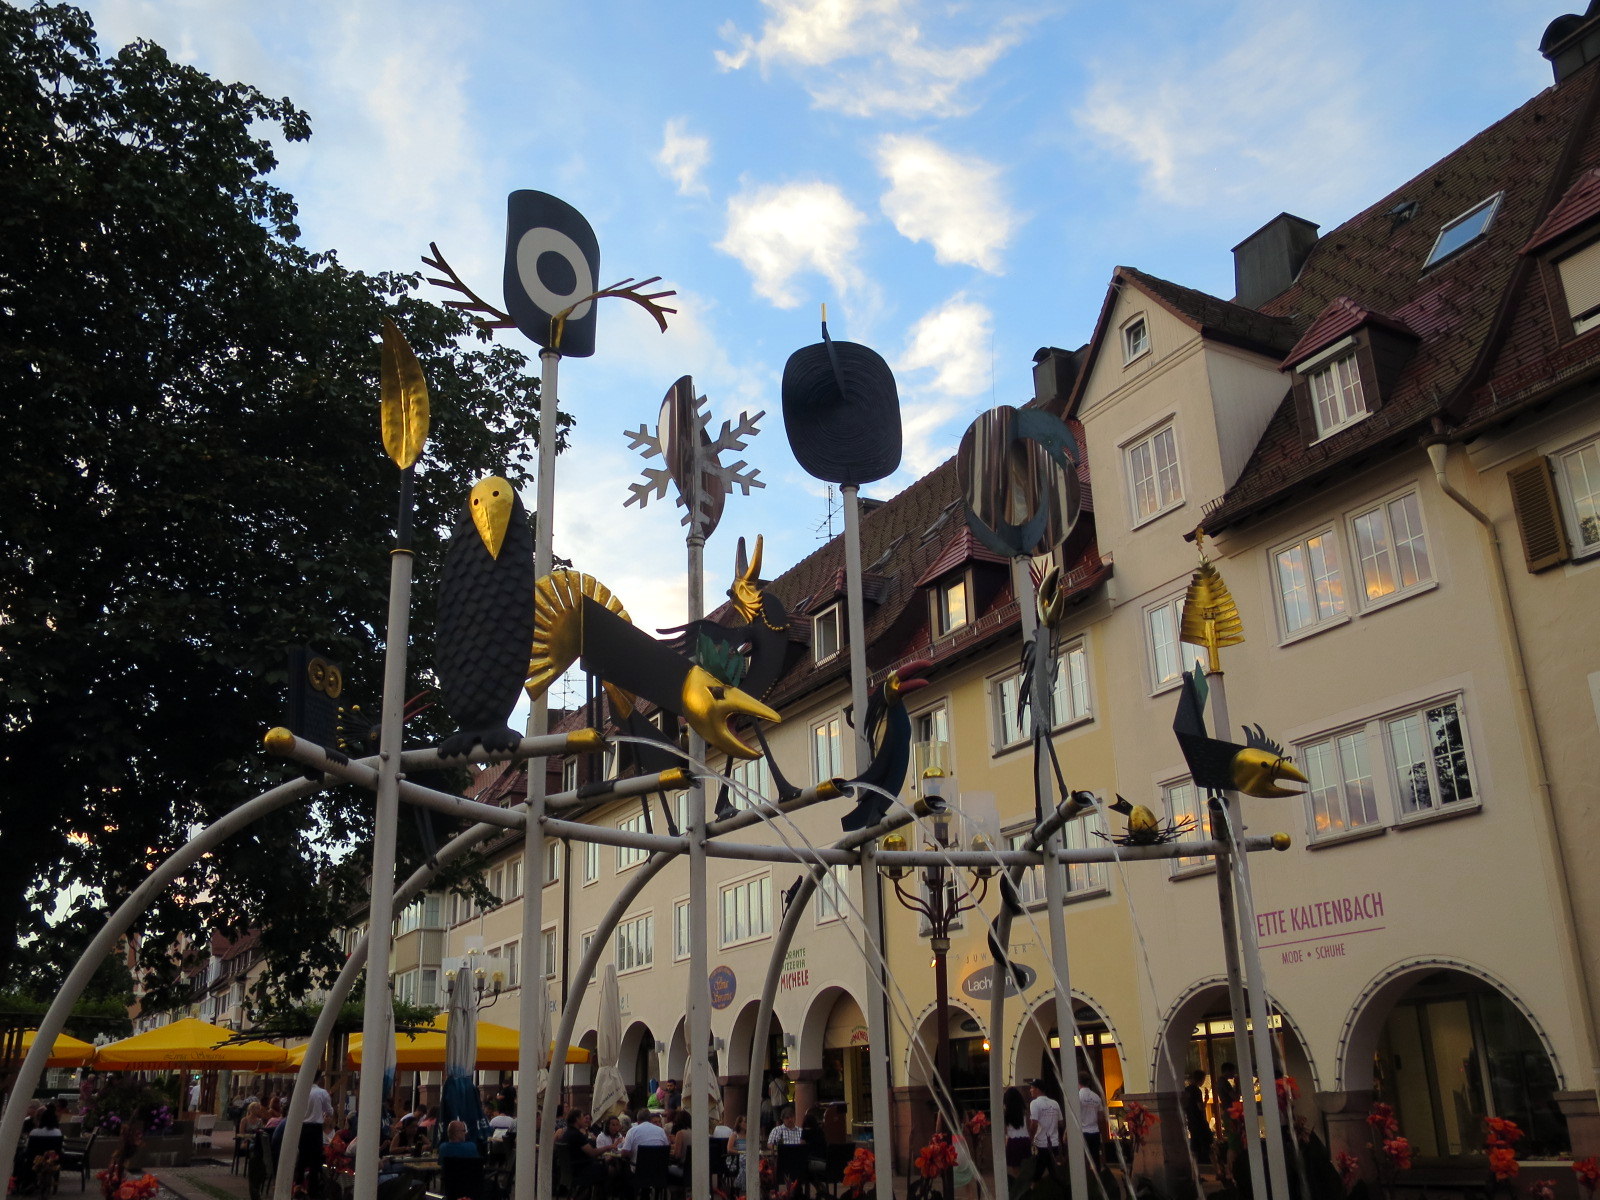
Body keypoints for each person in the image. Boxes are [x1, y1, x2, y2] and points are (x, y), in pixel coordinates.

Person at [296, 1071, 335, 1200]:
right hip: (315, 1128)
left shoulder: (302, 1091)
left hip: (303, 1127)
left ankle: (297, 1186)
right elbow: (329, 1111)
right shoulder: (322, 1093)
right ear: (319, 1079)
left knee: (302, 1157)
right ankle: (313, 1189)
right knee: (315, 1159)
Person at [557, 1110, 601, 1192]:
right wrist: (609, 1147)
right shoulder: (576, 1135)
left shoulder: (567, 1133)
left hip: (569, 1170)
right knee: (605, 1170)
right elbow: (592, 1153)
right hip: (579, 1171)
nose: (584, 1120)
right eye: (582, 1117)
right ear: (577, 1119)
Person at [1027, 1079, 1063, 1170]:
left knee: (1037, 1171)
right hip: (1054, 1143)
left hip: (1041, 1144)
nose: (1030, 1090)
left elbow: (1034, 1124)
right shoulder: (1055, 1103)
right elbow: (1061, 1123)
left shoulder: (1034, 1103)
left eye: (1032, 1088)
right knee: (1052, 1169)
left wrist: (1030, 1139)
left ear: (1037, 1089)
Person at [1182, 1070, 1213, 1167]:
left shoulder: (1186, 1090)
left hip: (1191, 1120)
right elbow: (1201, 1107)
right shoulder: (1197, 1091)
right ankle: (1209, 1163)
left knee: (1195, 1144)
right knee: (1207, 1141)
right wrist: (1206, 1099)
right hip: (1199, 1120)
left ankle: (1196, 1166)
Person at [1078, 1072, 1106, 1170]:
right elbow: (1101, 1116)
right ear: (1089, 1082)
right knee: (1095, 1157)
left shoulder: (1078, 1096)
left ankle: (1085, 1176)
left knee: (1082, 1158)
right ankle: (1096, 1175)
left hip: (1082, 1131)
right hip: (1095, 1131)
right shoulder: (1096, 1097)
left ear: (1078, 1082)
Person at [1003, 1086, 1032, 1181]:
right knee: (1026, 1168)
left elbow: (1005, 1129)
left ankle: (1019, 1185)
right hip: (1025, 1139)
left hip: (1013, 1141)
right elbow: (1028, 1125)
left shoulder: (1005, 1112)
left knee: (1016, 1169)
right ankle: (1027, 1185)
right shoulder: (1024, 1111)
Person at [666, 1110, 693, 1181]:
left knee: (663, 1168)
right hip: (693, 1170)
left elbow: (677, 1155)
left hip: (683, 1169)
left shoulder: (680, 1134)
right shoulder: (694, 1133)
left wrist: (668, 1152)